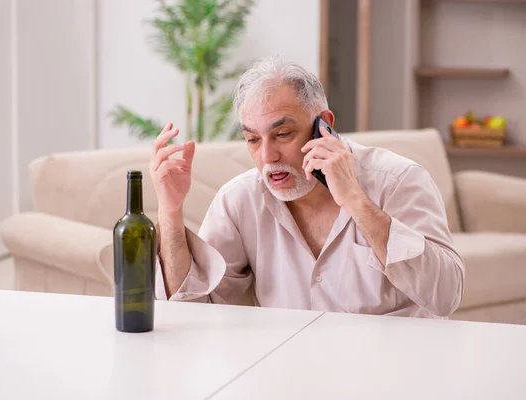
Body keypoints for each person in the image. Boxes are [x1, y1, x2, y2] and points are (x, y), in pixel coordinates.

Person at [149, 55, 465, 318]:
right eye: (253, 139)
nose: (267, 156)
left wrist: (356, 201)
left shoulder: (399, 180)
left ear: (323, 125)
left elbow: (445, 296)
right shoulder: (240, 200)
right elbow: (192, 309)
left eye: (283, 134)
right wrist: (170, 211)